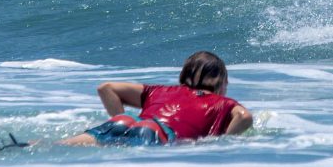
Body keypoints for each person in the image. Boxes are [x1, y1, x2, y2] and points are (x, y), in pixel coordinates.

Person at [59, 51, 253, 148]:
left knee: (57, 146)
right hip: (157, 134)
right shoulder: (222, 103)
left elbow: (106, 88)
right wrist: (222, 142)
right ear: (221, 82)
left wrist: (123, 125)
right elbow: (244, 117)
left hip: (126, 122)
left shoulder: (160, 91)